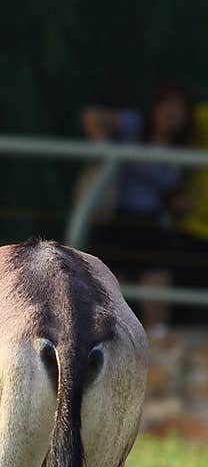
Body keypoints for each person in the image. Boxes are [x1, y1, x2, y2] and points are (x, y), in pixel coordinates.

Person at [80, 80, 193, 332]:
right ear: (156, 106)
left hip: (150, 224)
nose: (171, 114)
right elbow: (92, 116)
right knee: (109, 299)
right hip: (116, 220)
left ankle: (158, 356)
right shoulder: (134, 125)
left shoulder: (180, 150)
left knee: (157, 295)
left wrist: (179, 202)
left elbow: (167, 192)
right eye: (167, 106)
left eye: (179, 109)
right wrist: (106, 150)